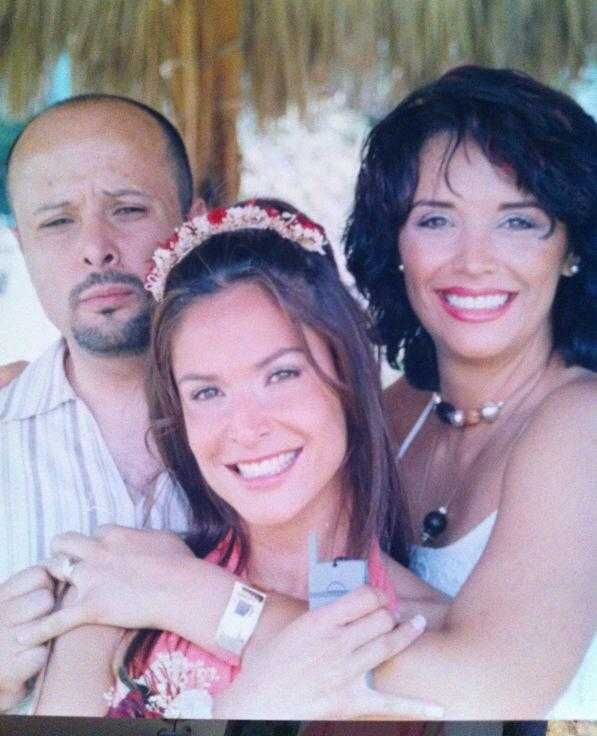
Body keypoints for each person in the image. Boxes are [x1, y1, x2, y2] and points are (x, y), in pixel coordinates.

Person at [35, 200, 446, 720]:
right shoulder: (115, 598)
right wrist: (244, 708)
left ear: (349, 372)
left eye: (281, 374)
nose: (246, 429)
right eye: (207, 393)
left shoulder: (435, 637)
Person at [343, 65, 596, 718]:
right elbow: (307, 572)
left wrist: (209, 606)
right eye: (435, 220)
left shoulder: (583, 419)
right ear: (395, 243)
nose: (474, 260)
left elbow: (500, 685)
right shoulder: (393, 412)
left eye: (519, 222)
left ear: (572, 248)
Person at [0, 94, 205, 711]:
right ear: (21, 245)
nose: (96, 247)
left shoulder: (290, 430)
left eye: (128, 209)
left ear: (194, 222)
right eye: (57, 222)